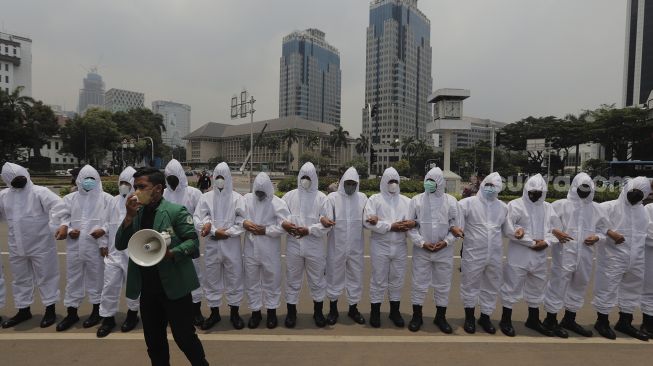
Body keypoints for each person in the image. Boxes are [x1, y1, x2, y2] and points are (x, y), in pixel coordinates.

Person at [115, 167, 209, 366]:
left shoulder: (176, 211)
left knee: (184, 337)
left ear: (158, 188)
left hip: (175, 287)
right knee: (154, 341)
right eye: (135, 186)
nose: (136, 191)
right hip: (148, 289)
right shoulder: (136, 214)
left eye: (142, 186)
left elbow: (192, 242)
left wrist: (172, 253)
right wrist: (129, 217)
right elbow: (120, 244)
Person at [542, 173, 611, 338]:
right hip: (565, 252)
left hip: (586, 254)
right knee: (558, 284)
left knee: (580, 284)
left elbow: (604, 230)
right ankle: (550, 319)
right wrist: (555, 231)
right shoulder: (561, 205)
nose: (584, 191)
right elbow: (545, 223)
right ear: (574, 187)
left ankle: (569, 319)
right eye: (581, 188)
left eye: (588, 188)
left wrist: (597, 237)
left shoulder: (596, 208)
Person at [50, 164, 113, 332]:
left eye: (92, 179)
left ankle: (96, 312)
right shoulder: (70, 199)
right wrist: (69, 230)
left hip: (96, 248)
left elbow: (114, 220)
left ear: (98, 180)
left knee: (97, 279)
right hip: (75, 248)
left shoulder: (106, 199)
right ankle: (72, 313)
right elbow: (57, 218)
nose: (88, 182)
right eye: (85, 179)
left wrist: (104, 233)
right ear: (79, 180)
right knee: (73, 280)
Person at [0, 162, 62, 328]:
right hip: (16, 246)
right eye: (14, 179)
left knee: (47, 276)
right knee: (20, 279)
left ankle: (50, 310)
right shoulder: (4, 196)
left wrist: (57, 226)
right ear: (7, 180)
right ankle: (23, 310)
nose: (19, 181)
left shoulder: (39, 192)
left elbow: (59, 208)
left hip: (41, 245)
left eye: (21, 177)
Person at [592, 176, 651, 341]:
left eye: (641, 193)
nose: (636, 195)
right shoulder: (608, 207)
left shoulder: (642, 211)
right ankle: (602, 321)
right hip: (613, 257)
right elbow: (593, 223)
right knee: (607, 288)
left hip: (636, 258)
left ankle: (625, 322)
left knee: (632, 290)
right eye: (634, 191)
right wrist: (610, 233)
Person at [499, 174, 558, 337]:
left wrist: (547, 242)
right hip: (519, 255)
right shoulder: (515, 205)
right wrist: (532, 243)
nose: (535, 195)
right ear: (526, 190)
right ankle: (506, 319)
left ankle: (533, 319)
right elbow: (509, 230)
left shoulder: (547, 207)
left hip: (540, 256)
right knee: (512, 286)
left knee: (537, 287)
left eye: (539, 192)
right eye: (532, 191)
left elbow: (555, 229)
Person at [406, 167, 461, 333]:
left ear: (440, 183)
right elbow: (410, 226)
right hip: (422, 250)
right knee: (418, 283)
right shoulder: (416, 200)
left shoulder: (451, 201)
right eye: (427, 180)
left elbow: (457, 226)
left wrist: (446, 242)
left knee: (443, 284)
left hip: (443, 251)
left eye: (433, 181)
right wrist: (421, 243)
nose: (429, 184)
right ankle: (417, 316)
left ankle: (441, 317)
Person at [193, 162, 246, 330]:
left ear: (228, 178)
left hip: (231, 246)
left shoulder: (237, 198)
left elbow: (242, 221)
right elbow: (198, 219)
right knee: (211, 279)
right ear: (213, 177)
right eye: (218, 177)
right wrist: (215, 232)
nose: (220, 180)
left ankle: (234, 313)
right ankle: (214, 313)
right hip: (212, 245)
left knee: (234, 277)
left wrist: (228, 233)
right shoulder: (205, 198)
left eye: (223, 177)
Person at [457, 172, 507, 334]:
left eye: (495, 187)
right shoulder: (467, 204)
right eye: (489, 185)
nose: (491, 189)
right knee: (470, 284)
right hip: (473, 253)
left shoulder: (503, 207)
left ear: (499, 188)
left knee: (491, 286)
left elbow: (508, 230)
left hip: (494, 254)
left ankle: (485, 317)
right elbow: (456, 222)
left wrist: (520, 232)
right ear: (483, 184)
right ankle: (469, 317)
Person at [364, 167, 414, 328]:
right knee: (378, 279)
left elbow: (411, 222)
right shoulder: (374, 199)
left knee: (397, 279)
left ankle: (395, 311)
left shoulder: (406, 201)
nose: (393, 184)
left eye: (395, 181)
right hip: (380, 245)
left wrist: (406, 224)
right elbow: (367, 222)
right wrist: (390, 226)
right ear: (384, 182)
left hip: (400, 246)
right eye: (390, 181)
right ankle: (375, 312)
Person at [281, 162, 330, 328]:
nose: (305, 180)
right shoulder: (289, 196)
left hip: (314, 245)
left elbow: (327, 223)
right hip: (293, 244)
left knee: (317, 280)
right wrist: (287, 225)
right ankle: (291, 312)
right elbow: (280, 216)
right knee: (292, 280)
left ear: (314, 178)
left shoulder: (322, 198)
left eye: (309, 177)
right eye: (303, 177)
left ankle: (318, 312)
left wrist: (309, 230)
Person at [242, 172, 291, 329]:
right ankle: (255, 312)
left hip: (270, 250)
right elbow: (235, 216)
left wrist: (266, 230)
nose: (260, 195)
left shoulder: (277, 203)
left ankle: (271, 312)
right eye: (258, 192)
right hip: (250, 249)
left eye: (263, 193)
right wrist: (244, 222)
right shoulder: (246, 200)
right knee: (252, 281)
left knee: (272, 281)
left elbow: (284, 225)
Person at [96, 166, 140, 338]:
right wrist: (102, 243)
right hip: (114, 254)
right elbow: (105, 223)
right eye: (121, 182)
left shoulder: (139, 202)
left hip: (133, 254)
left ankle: (132, 314)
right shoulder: (113, 201)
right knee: (109, 286)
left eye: (126, 183)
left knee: (134, 287)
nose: (123, 186)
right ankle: (107, 318)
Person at [321, 167, 367, 325]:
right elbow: (325, 219)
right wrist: (324, 220)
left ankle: (353, 309)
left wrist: (373, 220)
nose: (350, 186)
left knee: (355, 277)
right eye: (347, 183)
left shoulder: (362, 198)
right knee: (334, 276)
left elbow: (367, 221)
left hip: (356, 247)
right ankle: (333, 310)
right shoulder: (332, 198)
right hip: (336, 246)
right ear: (342, 183)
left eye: (353, 183)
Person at [163, 159, 205, 326]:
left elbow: (200, 215)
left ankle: (196, 311)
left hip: (189, 241)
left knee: (193, 275)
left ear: (181, 175)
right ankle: (172, 313)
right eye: (169, 177)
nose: (172, 180)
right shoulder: (164, 194)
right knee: (169, 277)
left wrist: (186, 228)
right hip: (167, 242)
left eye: (175, 176)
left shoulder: (194, 193)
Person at [643, 187, 653, 336]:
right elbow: (648, 231)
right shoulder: (649, 209)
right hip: (651, 253)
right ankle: (648, 323)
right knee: (650, 290)